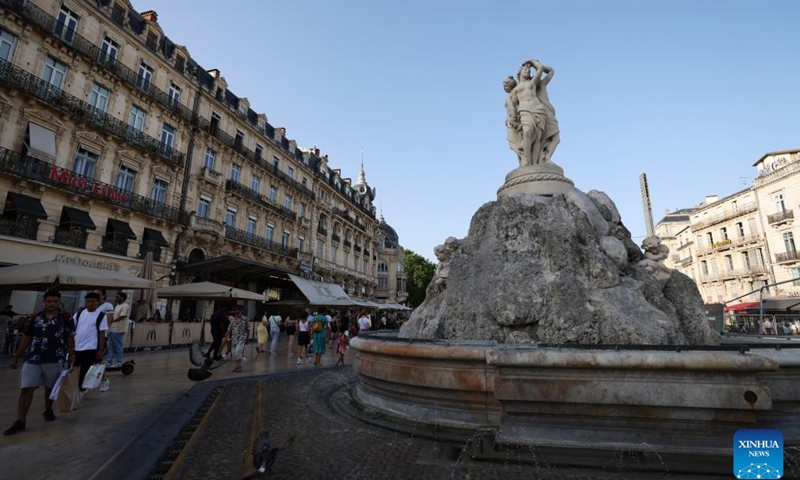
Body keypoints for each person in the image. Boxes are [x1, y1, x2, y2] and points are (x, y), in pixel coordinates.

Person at [4, 291, 75, 436]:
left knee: (50, 388)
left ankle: (48, 410)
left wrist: (72, 355)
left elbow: (70, 337)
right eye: (49, 301)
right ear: (44, 302)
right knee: (26, 389)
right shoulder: (35, 318)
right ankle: (20, 420)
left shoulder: (65, 318)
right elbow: (27, 337)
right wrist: (16, 357)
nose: (52, 304)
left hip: (55, 358)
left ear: (59, 302)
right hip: (33, 358)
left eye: (55, 301)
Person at [72, 292, 108, 391]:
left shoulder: (101, 316)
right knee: (74, 370)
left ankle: (82, 389)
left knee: (84, 371)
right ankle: (78, 389)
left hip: (90, 348)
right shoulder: (79, 314)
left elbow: (102, 334)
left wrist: (101, 350)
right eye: (88, 301)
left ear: (97, 302)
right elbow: (72, 328)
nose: (90, 304)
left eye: (93, 301)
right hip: (77, 347)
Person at [106, 292, 130, 368]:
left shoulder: (125, 306)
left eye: (118, 297)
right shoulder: (117, 306)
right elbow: (113, 315)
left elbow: (123, 316)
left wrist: (113, 321)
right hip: (113, 328)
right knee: (111, 346)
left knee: (118, 346)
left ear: (122, 298)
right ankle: (109, 361)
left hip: (119, 329)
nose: (116, 298)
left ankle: (119, 361)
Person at [226, 307, 248, 373]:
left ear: (241, 312)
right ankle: (237, 366)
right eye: (235, 313)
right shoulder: (233, 320)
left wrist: (247, 338)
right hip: (234, 339)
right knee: (234, 353)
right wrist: (226, 337)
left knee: (238, 351)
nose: (236, 314)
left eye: (238, 313)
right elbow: (229, 329)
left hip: (241, 338)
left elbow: (248, 329)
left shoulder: (245, 319)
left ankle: (239, 367)